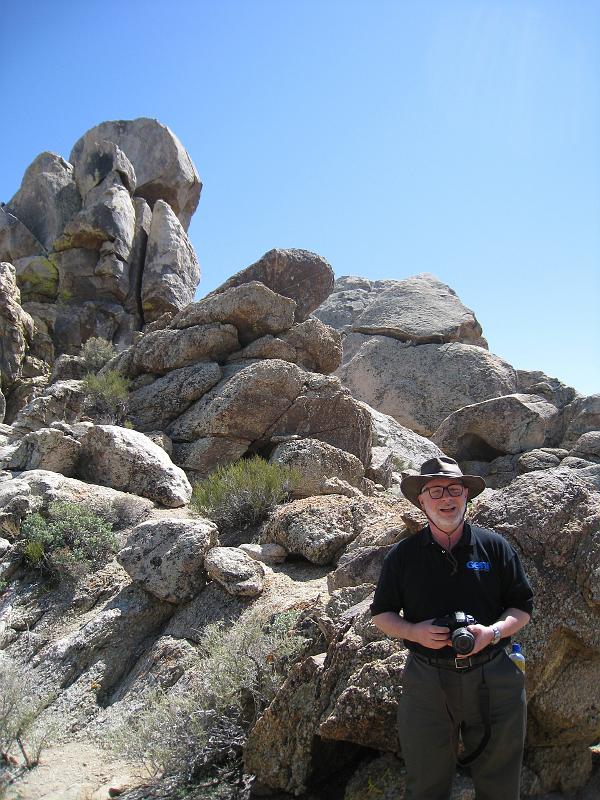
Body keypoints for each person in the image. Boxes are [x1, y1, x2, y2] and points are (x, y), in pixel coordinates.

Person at [371, 456, 533, 800]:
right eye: (436, 491)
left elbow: (522, 608)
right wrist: (415, 632)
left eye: (454, 489)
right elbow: (381, 614)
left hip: (495, 678)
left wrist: (493, 632)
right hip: (426, 681)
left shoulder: (494, 546)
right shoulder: (403, 556)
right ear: (422, 501)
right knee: (426, 784)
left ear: (466, 495)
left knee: (502, 785)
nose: (447, 498)